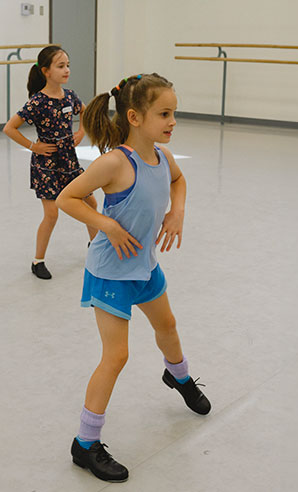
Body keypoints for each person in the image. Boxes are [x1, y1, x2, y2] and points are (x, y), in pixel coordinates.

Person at [56, 73, 211, 483]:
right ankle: (85, 444)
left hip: (143, 265)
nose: (172, 121)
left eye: (174, 113)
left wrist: (178, 211)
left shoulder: (163, 158)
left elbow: (178, 182)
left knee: (169, 327)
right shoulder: (115, 162)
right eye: (164, 113)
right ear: (134, 117)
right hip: (111, 271)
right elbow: (66, 198)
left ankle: (178, 378)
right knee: (117, 355)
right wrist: (105, 223)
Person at [3, 45, 97, 279]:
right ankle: (38, 261)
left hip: (69, 160)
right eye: (60, 66)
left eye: (68, 65)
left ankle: (95, 248)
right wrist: (33, 146)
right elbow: (9, 128)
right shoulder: (38, 102)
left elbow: (86, 112)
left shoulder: (70, 96)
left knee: (91, 203)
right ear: (46, 71)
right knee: (52, 213)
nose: (67, 70)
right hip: (46, 164)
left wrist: (82, 132)